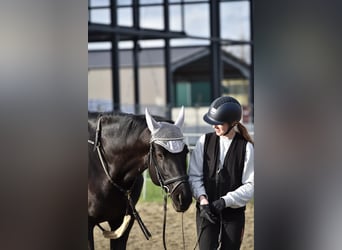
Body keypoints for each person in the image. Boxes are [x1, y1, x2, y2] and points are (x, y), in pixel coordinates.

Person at [188, 96, 254, 250]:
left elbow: (250, 185)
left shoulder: (246, 148)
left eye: (219, 123)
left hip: (233, 215)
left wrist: (225, 201)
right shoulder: (203, 142)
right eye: (212, 122)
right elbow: (194, 176)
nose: (214, 127)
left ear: (233, 123)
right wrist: (202, 200)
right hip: (206, 211)